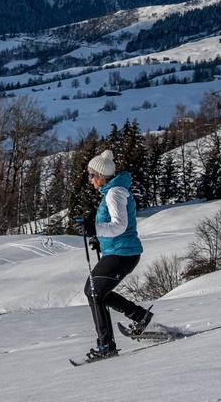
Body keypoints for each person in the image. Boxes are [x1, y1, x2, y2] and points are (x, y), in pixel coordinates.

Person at [74, 149, 152, 362]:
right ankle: (139, 316)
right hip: (119, 251)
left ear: (101, 176)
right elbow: (113, 226)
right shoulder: (113, 191)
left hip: (123, 253)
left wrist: (95, 229)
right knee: (95, 292)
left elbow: (120, 225)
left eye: (91, 176)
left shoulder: (115, 193)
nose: (89, 180)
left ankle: (106, 344)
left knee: (94, 292)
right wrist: (98, 236)